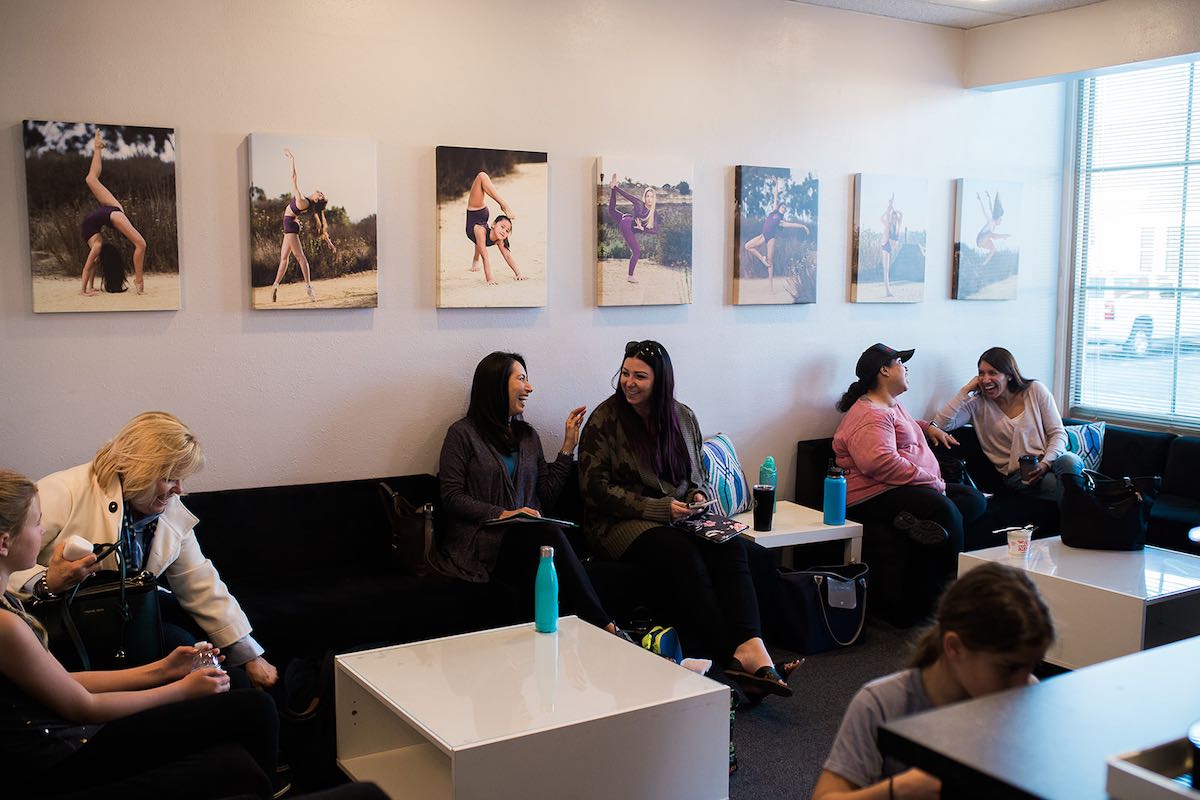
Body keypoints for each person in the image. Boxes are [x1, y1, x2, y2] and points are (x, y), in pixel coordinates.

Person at [0, 469, 278, 799]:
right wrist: (181, 690)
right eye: (36, 523)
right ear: (5, 542)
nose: (43, 530)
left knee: (244, 712)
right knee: (254, 709)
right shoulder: (7, 627)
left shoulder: (7, 602)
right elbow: (82, 707)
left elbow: (63, 679)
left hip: (62, 732)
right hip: (56, 756)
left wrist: (165, 669)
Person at [577, 340, 798, 701]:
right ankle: (727, 655)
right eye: (625, 374)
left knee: (732, 547)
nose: (629, 383)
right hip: (618, 525)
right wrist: (660, 509)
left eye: (640, 377)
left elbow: (696, 478)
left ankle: (753, 647)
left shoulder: (682, 416)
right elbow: (594, 491)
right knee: (682, 554)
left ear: (660, 381)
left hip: (679, 518)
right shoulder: (605, 420)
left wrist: (697, 497)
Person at [6, 412, 279, 690]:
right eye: (171, 478)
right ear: (141, 469)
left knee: (223, 664)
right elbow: (4, 557)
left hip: (126, 623)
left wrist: (251, 655)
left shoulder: (166, 511)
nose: (180, 489)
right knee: (191, 654)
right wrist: (46, 582)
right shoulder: (62, 492)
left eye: (182, 479)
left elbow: (200, 583)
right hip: (68, 628)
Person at [812, 562, 1054, 800]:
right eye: (1009, 668)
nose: (1025, 684)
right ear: (955, 648)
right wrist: (896, 791)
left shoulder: (1023, 694)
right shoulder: (882, 703)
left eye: (1032, 667)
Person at [438, 352, 621, 636]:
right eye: (521, 379)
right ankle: (607, 627)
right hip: (483, 545)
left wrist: (566, 447)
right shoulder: (462, 434)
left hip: (526, 541)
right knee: (546, 537)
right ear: (497, 384)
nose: (529, 387)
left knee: (546, 537)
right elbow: (451, 496)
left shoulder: (527, 436)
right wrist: (504, 514)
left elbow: (545, 497)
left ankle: (596, 633)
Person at [833, 344, 986, 565]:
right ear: (884, 371)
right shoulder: (870, 415)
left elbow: (900, 427)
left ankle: (914, 527)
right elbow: (880, 463)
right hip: (874, 494)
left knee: (973, 499)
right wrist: (931, 480)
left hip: (899, 486)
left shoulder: (888, 405)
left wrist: (928, 427)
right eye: (901, 363)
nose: (906, 369)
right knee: (946, 510)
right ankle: (951, 585)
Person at [934, 347, 1082, 500]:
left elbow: (1058, 433)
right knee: (1068, 490)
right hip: (1021, 475)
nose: (985, 380)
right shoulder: (976, 405)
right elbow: (940, 424)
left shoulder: (1034, 390)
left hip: (1050, 460)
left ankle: (1075, 517)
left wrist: (1045, 464)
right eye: (981, 373)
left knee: (1070, 461)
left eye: (992, 373)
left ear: (1009, 375)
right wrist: (964, 391)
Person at [79, 129, 147, 296]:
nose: (97, 261)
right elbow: (92, 265)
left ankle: (98, 147)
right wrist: (89, 288)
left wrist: (84, 291)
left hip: (112, 213)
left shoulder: (96, 246)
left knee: (141, 244)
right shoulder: (96, 245)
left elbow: (89, 266)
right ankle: (98, 147)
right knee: (91, 179)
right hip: (110, 211)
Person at [270, 148, 336, 303]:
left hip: (290, 226)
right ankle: (275, 286)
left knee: (300, 258)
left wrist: (292, 159)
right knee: (284, 258)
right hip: (290, 224)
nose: (320, 192)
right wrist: (330, 243)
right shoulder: (308, 204)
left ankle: (309, 287)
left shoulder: (302, 201)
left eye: (321, 195)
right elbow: (322, 227)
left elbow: (293, 178)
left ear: (316, 200)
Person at [744, 178, 810, 291]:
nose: (784, 209)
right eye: (783, 207)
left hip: (771, 239)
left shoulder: (781, 221)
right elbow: (775, 196)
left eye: (785, 208)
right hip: (763, 236)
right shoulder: (773, 212)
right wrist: (776, 184)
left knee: (770, 262)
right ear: (779, 207)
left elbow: (792, 224)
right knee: (747, 246)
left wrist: (803, 226)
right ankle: (762, 259)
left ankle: (771, 287)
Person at [464, 171, 524, 285]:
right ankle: (503, 204)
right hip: (476, 210)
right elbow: (485, 257)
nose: (504, 231)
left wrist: (518, 273)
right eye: (502, 227)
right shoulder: (481, 231)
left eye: (507, 230)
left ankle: (474, 259)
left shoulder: (498, 239)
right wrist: (489, 279)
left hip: (478, 227)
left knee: (479, 239)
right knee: (481, 176)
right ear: (493, 225)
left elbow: (507, 255)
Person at [607, 174, 657, 283]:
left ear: (654, 199)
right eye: (647, 196)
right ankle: (630, 276)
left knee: (611, 210)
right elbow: (627, 195)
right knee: (637, 251)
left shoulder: (653, 213)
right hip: (627, 223)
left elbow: (655, 231)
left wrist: (642, 229)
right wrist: (616, 187)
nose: (649, 199)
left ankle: (612, 190)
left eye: (651, 196)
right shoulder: (639, 204)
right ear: (644, 197)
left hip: (625, 219)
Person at [974, 191, 1009, 267]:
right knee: (990, 234)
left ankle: (983, 264)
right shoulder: (990, 221)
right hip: (980, 239)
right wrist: (980, 200)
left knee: (993, 249)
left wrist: (989, 198)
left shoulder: (994, 224)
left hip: (984, 241)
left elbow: (991, 208)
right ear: (997, 219)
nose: (1001, 221)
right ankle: (1003, 236)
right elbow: (985, 210)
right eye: (1000, 219)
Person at [880, 195, 902, 298]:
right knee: (886, 270)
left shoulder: (898, 225)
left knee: (887, 269)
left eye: (895, 217)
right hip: (886, 244)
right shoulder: (889, 224)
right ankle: (887, 292)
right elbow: (886, 216)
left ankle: (888, 291)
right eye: (892, 217)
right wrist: (890, 205)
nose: (893, 219)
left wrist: (894, 208)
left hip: (890, 247)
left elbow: (901, 214)